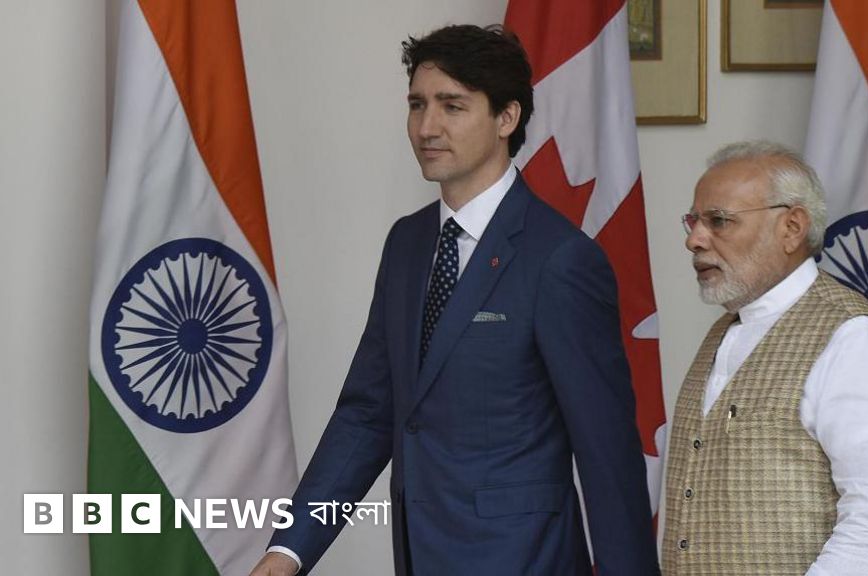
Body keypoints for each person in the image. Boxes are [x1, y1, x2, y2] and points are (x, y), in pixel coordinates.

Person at [250, 24, 658, 576]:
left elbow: (607, 452)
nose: (427, 127)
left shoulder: (561, 259)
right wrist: (290, 550)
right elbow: (368, 414)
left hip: (525, 561)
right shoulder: (407, 242)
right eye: (417, 105)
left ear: (506, 118)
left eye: (452, 106)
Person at [661, 141, 868, 575]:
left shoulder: (852, 337)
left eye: (718, 221)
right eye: (693, 220)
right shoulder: (722, 333)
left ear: (792, 227)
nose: (694, 239)